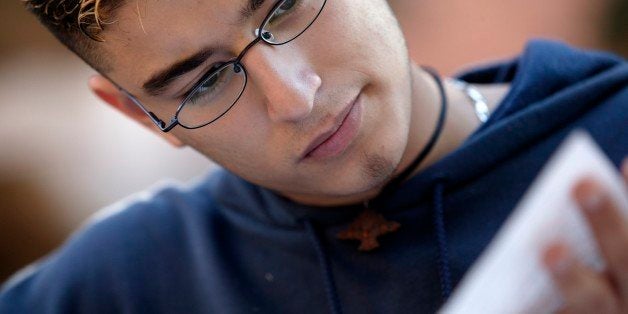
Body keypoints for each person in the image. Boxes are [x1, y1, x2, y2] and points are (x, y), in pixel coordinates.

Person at [1, 0, 627, 313]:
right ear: (140, 116)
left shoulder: (616, 144)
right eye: (205, 82)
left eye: (284, 6)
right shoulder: (123, 285)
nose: (294, 97)